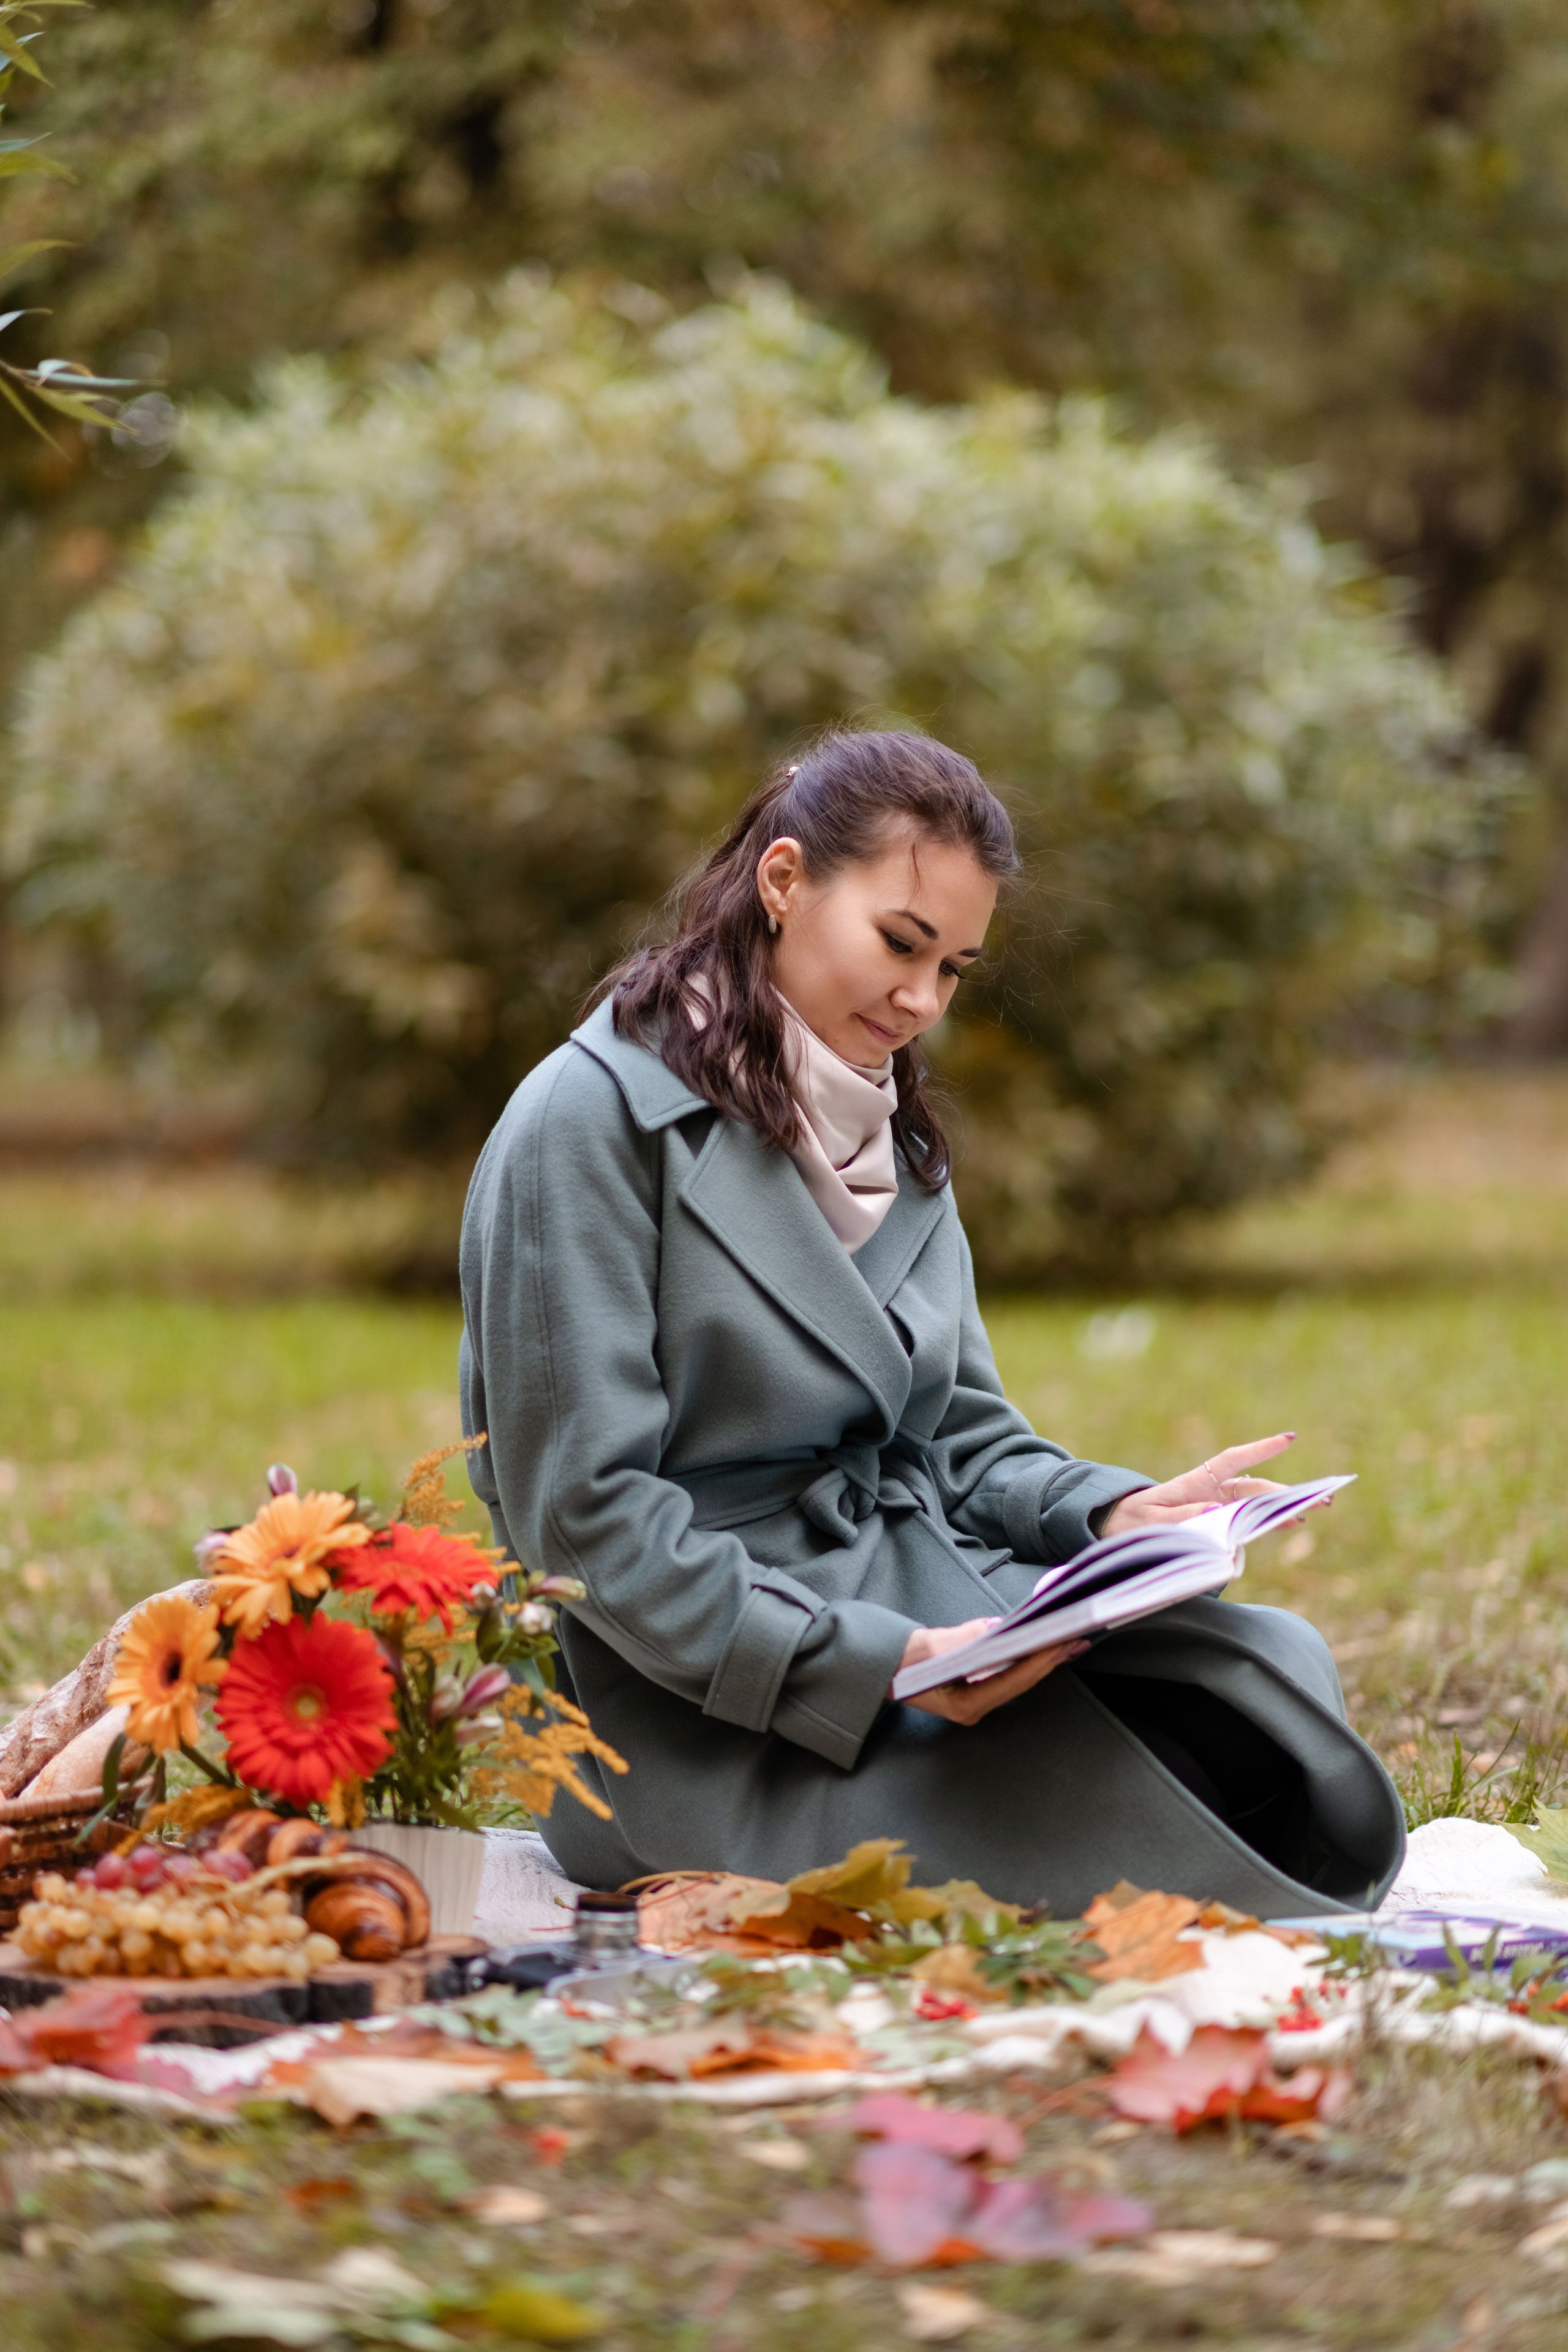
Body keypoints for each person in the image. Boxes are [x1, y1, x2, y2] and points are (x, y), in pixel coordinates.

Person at [460, 729, 1404, 1917]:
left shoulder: (887, 1130)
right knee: (1161, 1798)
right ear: (785, 880)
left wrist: (1114, 1513)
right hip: (702, 1680)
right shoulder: (584, 1124)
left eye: (953, 967)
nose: (918, 999)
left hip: (920, 1603)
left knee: (1262, 1680)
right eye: (899, 944)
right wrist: (868, 1668)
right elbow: (584, 1523)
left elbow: (953, 1430)